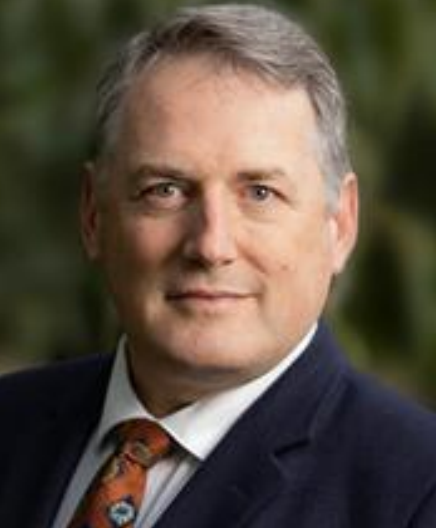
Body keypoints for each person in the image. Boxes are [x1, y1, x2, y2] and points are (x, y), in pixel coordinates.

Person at [1, 3, 435, 527]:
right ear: (94, 215)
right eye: (165, 190)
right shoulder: (10, 424)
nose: (211, 245)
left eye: (260, 193)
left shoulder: (416, 493)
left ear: (340, 224)